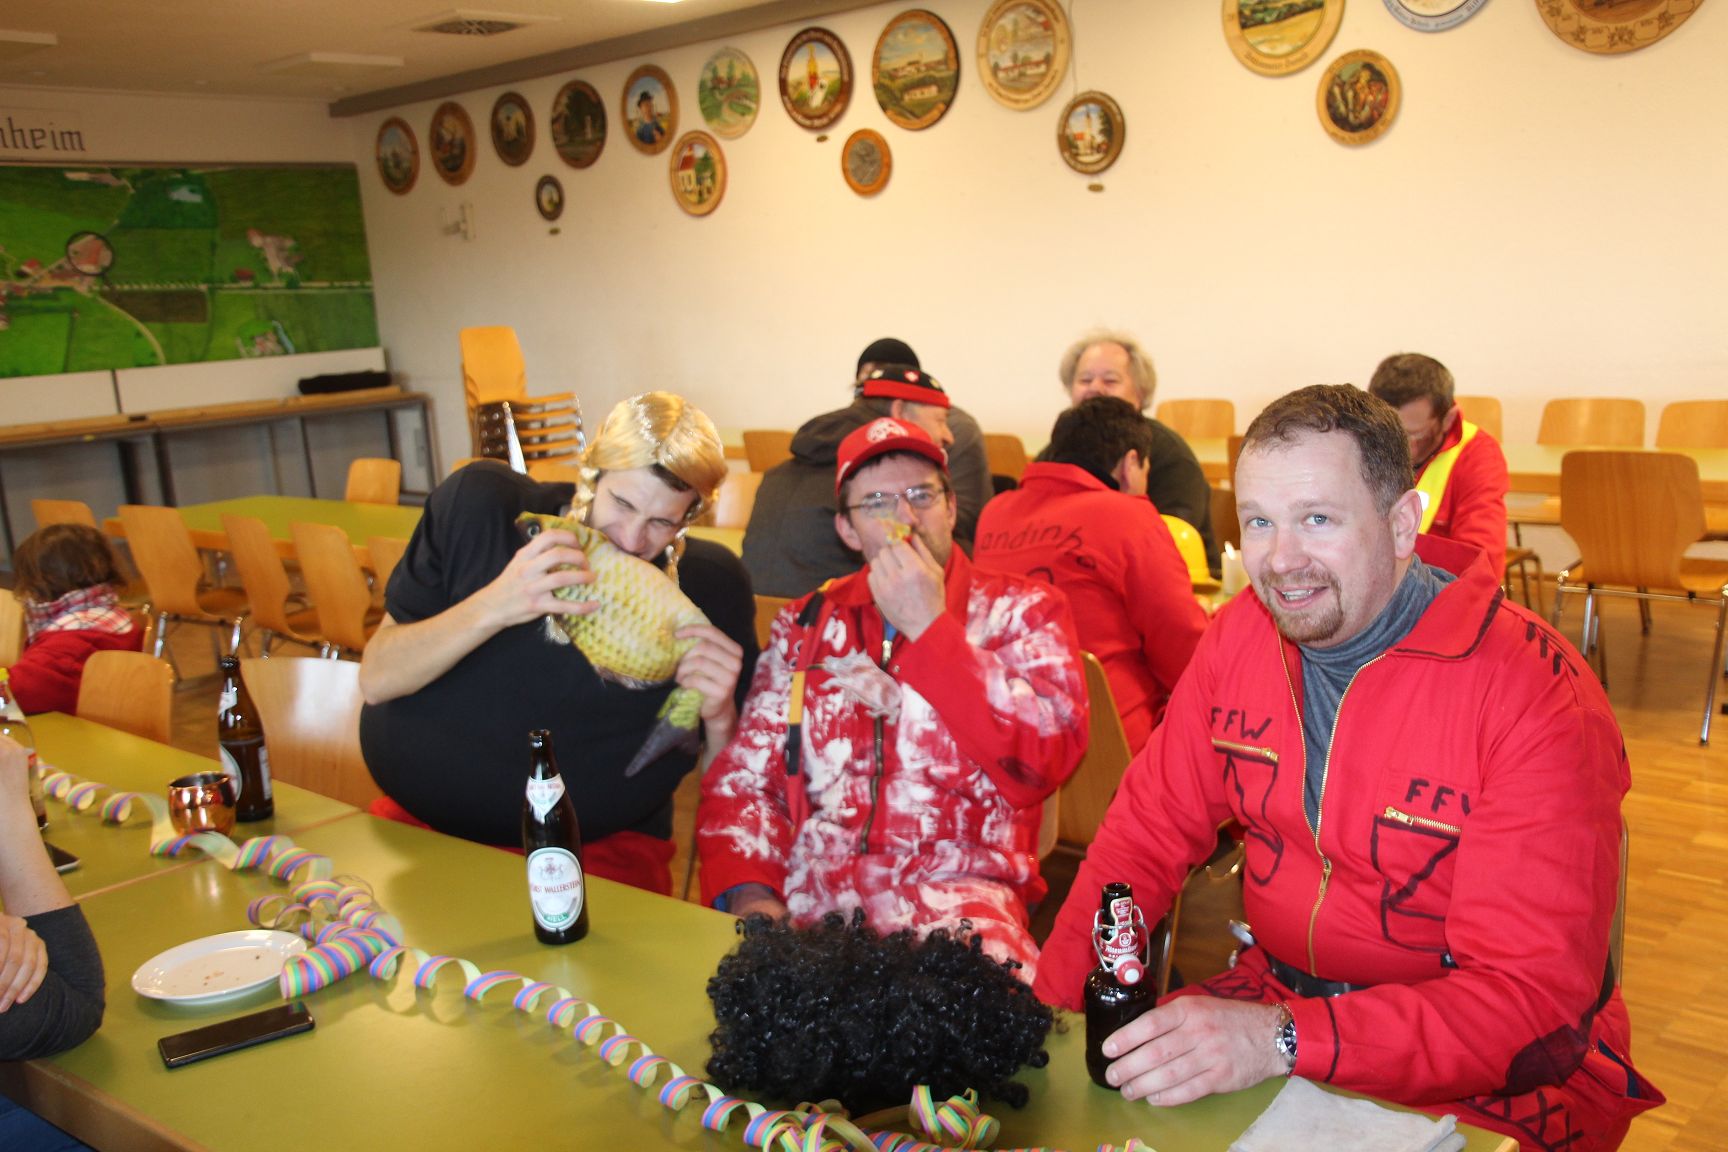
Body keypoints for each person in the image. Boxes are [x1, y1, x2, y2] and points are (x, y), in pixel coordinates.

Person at [1032, 385, 1660, 1152]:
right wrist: (1045, 1021)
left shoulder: (1536, 695)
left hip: (1490, 1068)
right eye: (1259, 521)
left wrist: (1281, 1037)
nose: (1281, 560)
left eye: (1317, 520)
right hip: (1277, 1002)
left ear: (1401, 525)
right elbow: (1140, 840)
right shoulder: (1238, 638)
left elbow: (1529, 1004)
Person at [699, 418, 1087, 976]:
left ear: (952, 508)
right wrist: (752, 896)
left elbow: (1045, 758)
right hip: (812, 902)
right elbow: (746, 782)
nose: (905, 518)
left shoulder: (1023, 613)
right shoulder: (805, 626)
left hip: (964, 904)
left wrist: (931, 630)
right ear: (848, 530)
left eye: (921, 495)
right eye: (878, 502)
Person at [358, 393, 758, 895]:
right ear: (592, 475)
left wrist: (720, 717)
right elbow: (377, 679)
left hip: (596, 854)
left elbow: (741, 783)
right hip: (416, 832)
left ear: (692, 513)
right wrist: (496, 604)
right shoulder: (483, 508)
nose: (631, 540)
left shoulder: (711, 587)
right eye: (622, 503)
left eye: (662, 521)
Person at [974, 396, 1207, 749]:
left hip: (1006, 737)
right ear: (1130, 464)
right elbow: (1183, 649)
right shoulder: (1127, 517)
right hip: (1110, 748)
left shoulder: (994, 513)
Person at [742, 340, 990, 598]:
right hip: (835, 613)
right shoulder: (873, 482)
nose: (949, 436)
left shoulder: (780, 471)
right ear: (899, 411)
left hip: (762, 616)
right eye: (940, 420)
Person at [1058, 331, 1219, 571]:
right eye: (1085, 380)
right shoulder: (1059, 449)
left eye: (1110, 381)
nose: (1095, 388)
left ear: (1140, 393)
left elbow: (1171, 543)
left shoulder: (1170, 454)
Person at [1368, 352, 1509, 571]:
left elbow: (1480, 562)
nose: (1394, 445)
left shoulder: (1476, 456)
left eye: (1412, 435)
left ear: (1448, 419)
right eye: (1385, 431)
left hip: (1431, 584)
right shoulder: (1359, 441)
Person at [5, 524, 143, 716]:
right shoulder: (105, 615)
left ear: (40, 584)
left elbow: (16, 693)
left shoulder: (74, 641)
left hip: (75, 726)